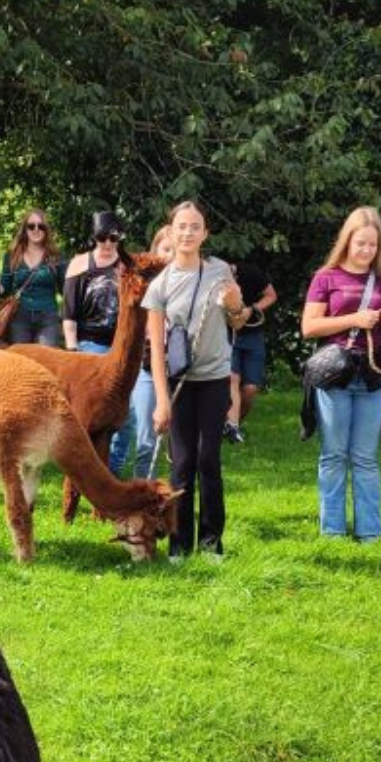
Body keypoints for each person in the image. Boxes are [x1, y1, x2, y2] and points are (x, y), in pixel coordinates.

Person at [301, 206, 381, 542]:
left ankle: (370, 533)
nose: (366, 250)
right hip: (336, 373)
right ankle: (332, 533)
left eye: (372, 245)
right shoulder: (326, 277)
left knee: (365, 457)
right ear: (347, 241)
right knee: (334, 454)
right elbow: (309, 327)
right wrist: (354, 319)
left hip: (373, 375)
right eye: (360, 243)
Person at [144, 200, 244, 560]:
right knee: (182, 464)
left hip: (214, 379)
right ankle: (179, 544)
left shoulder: (220, 271)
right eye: (181, 227)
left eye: (194, 227)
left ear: (205, 233)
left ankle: (212, 543)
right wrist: (161, 400)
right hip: (179, 383)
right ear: (170, 233)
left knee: (208, 461)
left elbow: (238, 320)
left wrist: (234, 303)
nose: (187, 233)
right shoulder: (160, 285)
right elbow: (156, 351)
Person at [63, 208, 135, 473]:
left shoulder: (128, 266)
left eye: (113, 238)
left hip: (121, 347)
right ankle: (88, 470)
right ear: (94, 238)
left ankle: (110, 472)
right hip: (90, 346)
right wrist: (73, 350)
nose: (107, 244)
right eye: (101, 238)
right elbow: (69, 314)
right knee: (91, 416)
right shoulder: (80, 264)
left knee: (128, 417)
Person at [121, 225, 174, 478]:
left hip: (181, 368)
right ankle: (141, 492)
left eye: (175, 250)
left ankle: (177, 494)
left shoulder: (191, 283)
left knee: (179, 444)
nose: (170, 255)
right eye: (166, 249)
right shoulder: (143, 285)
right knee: (145, 440)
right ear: (155, 251)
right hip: (147, 366)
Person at [0, 209, 62, 345]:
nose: (36, 230)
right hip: (19, 317)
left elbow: (66, 290)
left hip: (48, 317)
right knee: (20, 356)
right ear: (25, 229)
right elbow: (4, 292)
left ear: (46, 230)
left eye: (41, 226)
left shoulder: (55, 256)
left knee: (46, 355)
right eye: (31, 226)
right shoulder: (12, 255)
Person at [223, 260, 278, 443]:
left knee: (250, 389)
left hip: (252, 335)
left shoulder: (251, 272)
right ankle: (232, 427)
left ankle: (232, 425)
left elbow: (271, 295)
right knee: (233, 378)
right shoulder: (213, 275)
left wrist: (252, 309)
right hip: (226, 334)